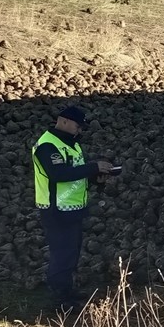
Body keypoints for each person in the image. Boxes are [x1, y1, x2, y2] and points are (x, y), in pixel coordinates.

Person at [32, 106, 112, 310]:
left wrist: (96, 179)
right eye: (78, 126)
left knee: (71, 253)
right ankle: (60, 301)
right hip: (56, 210)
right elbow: (58, 174)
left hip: (73, 208)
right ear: (64, 121)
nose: (80, 131)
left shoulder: (71, 144)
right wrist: (94, 167)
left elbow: (75, 174)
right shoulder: (47, 146)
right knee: (62, 255)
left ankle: (67, 291)